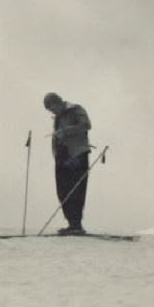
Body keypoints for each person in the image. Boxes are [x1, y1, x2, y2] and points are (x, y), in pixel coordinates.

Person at [44, 91, 92, 235]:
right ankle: (72, 224)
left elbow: (86, 125)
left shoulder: (76, 109)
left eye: (52, 108)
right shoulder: (58, 117)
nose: (52, 112)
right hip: (62, 156)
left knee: (76, 190)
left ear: (58, 102)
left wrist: (66, 131)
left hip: (77, 154)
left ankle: (76, 224)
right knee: (63, 191)